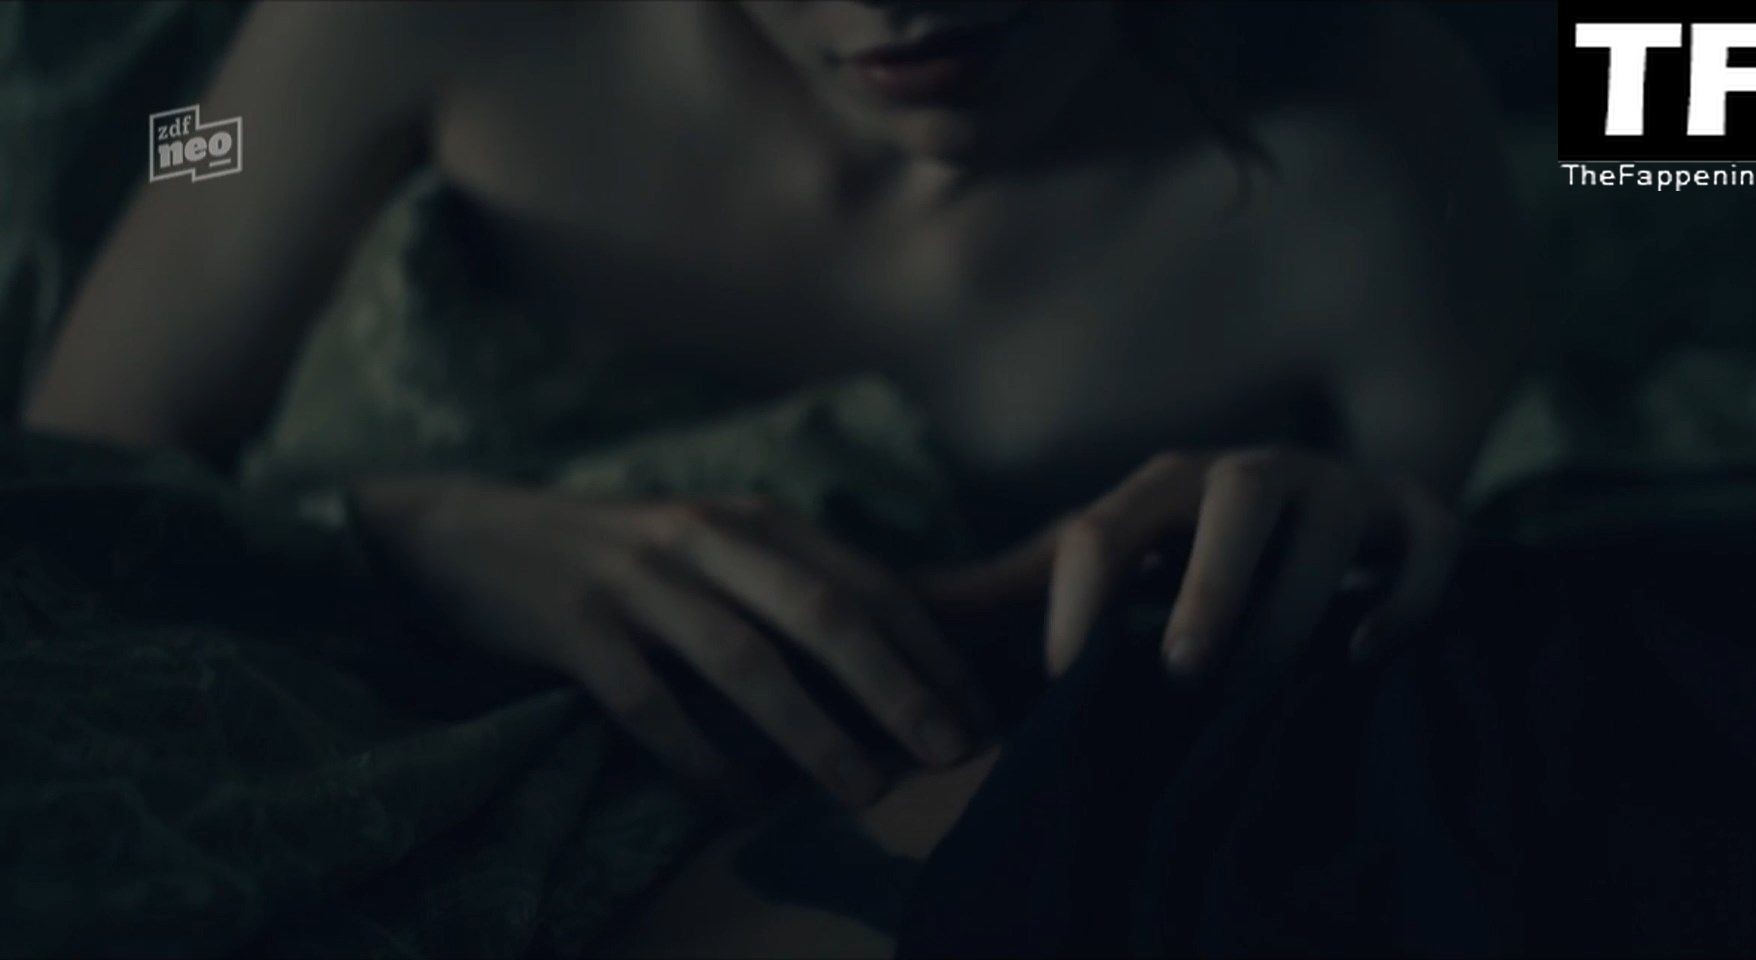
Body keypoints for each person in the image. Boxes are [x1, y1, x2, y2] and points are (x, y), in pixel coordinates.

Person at [21, 0, 1525, 949]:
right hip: (303, 695)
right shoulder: (356, 36)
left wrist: (1349, 536)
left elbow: (1477, 571)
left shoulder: (1383, 131)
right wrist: (412, 539)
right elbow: (68, 491)